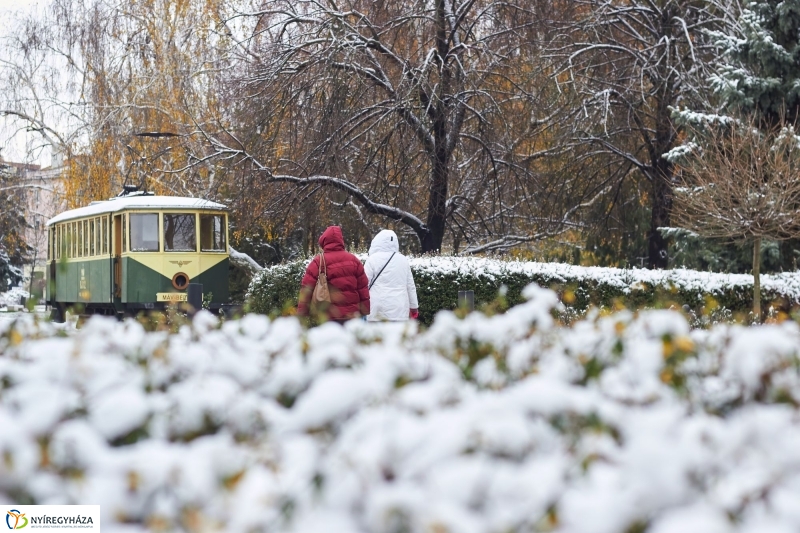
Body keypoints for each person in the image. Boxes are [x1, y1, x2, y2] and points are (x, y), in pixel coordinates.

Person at [297, 226, 370, 323]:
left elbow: (307, 288)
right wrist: (365, 310)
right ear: (341, 241)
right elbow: (363, 288)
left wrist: (302, 313)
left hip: (328, 316)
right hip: (352, 315)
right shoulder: (354, 260)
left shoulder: (318, 262)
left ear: (324, 241)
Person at [364, 229, 418, 322]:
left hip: (377, 308)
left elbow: (364, 284)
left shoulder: (372, 259)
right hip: (399, 309)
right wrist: (414, 307)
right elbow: (410, 286)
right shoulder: (403, 260)